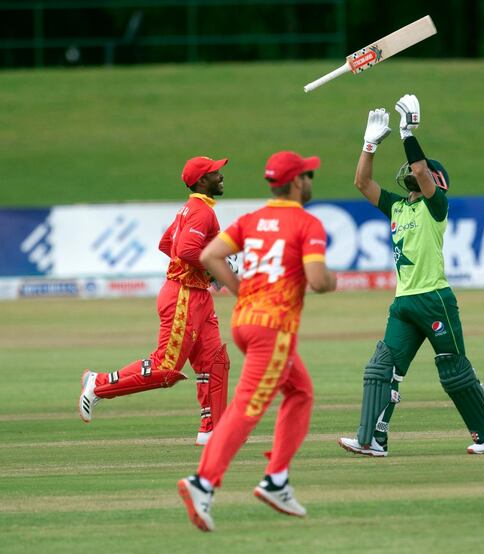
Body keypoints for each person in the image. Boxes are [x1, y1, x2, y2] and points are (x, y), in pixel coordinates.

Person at [177, 150, 337, 532]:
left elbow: (211, 254)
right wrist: (332, 281)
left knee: (300, 392)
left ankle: (276, 480)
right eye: (308, 176)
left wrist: (240, 291)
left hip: (245, 323)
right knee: (247, 407)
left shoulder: (252, 219)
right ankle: (203, 483)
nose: (310, 181)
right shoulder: (308, 223)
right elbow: (317, 280)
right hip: (274, 329)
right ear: (297, 182)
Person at [338, 94, 484, 457]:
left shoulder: (436, 205)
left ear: (435, 179)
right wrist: (368, 145)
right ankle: (373, 440)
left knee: (454, 370)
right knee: (382, 369)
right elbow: (362, 183)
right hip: (404, 303)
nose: (414, 172)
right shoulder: (398, 207)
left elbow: (419, 171)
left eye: (424, 172)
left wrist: (407, 132)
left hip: (435, 299)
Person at [78, 156, 231, 446]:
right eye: (214, 172)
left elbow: (166, 244)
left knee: (214, 362)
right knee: (165, 368)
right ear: (201, 181)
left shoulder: (192, 209)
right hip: (184, 295)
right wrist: (215, 267)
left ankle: (213, 430)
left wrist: (207, 273)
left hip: (196, 294)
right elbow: (185, 250)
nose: (221, 175)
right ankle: (98, 384)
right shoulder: (201, 212)